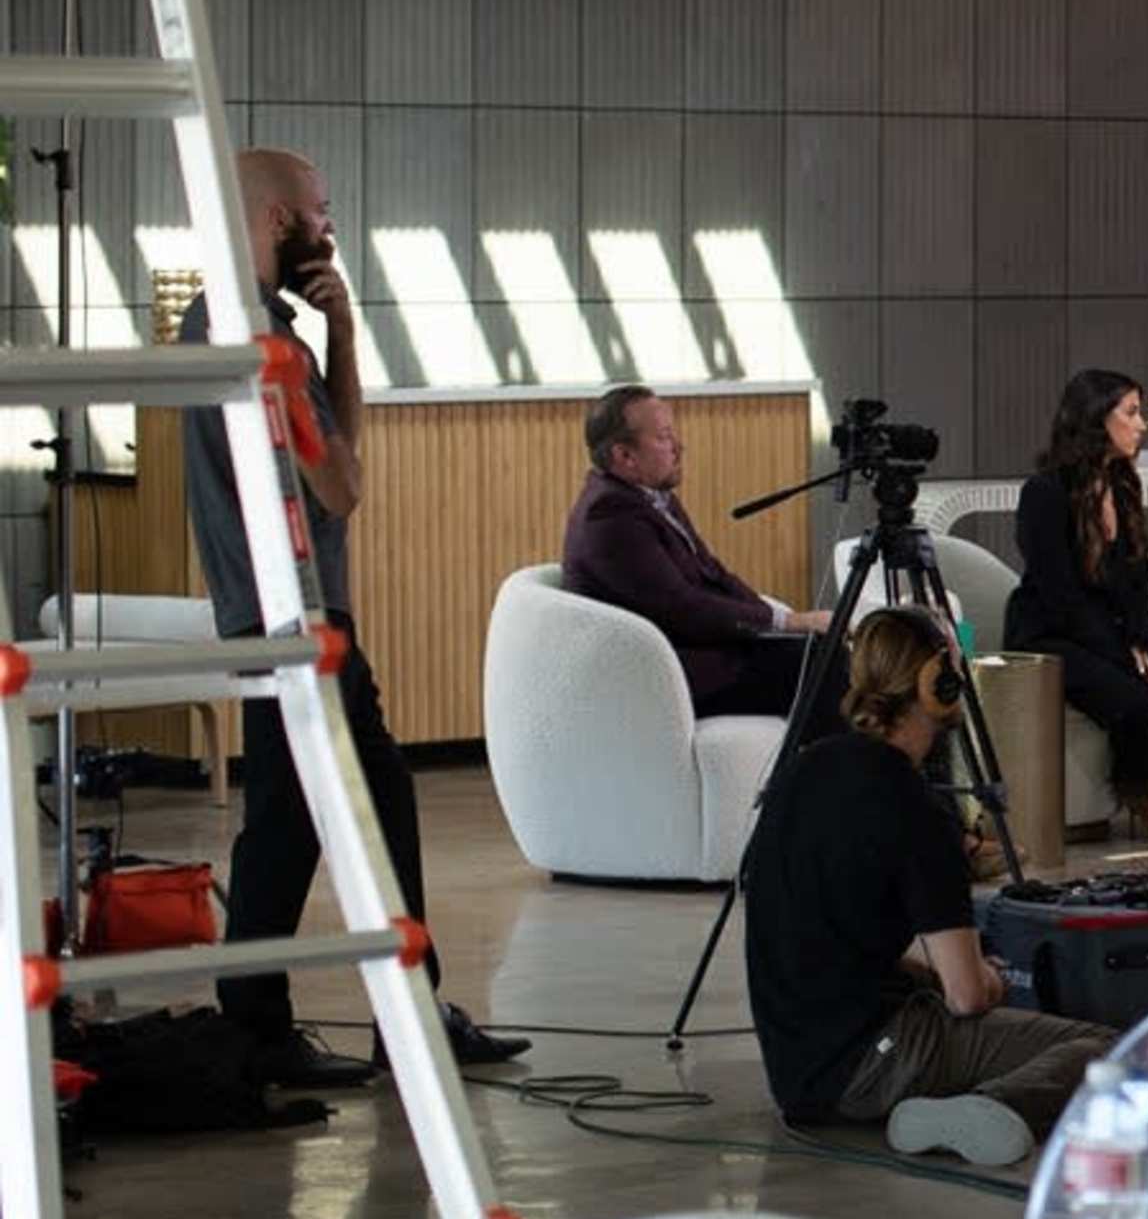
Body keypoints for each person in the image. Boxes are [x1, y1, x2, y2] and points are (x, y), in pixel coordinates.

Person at [178, 148, 524, 1084]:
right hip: (299, 616)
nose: (330, 228)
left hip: (268, 611)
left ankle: (303, 1019)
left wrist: (334, 333)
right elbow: (342, 484)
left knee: (298, 816)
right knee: (344, 809)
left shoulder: (216, 320)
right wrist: (344, 339)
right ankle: (373, 1020)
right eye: (321, 210)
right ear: (279, 221)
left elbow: (327, 462)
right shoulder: (264, 342)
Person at [741, 611, 1107, 1165]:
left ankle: (949, 1099)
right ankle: (984, 1105)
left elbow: (833, 932)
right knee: (1111, 1052)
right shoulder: (917, 809)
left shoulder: (803, 770)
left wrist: (929, 967)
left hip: (797, 1073)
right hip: (876, 1063)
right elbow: (967, 997)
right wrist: (988, 977)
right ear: (936, 682)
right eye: (955, 667)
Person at [1008, 369, 1148, 845]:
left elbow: (1140, 580)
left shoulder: (1124, 486)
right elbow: (1061, 595)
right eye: (1131, 413)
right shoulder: (1044, 492)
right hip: (1051, 634)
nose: (1142, 424)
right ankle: (1146, 798)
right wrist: (1130, 661)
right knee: (1133, 698)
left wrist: (1142, 644)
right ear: (1096, 419)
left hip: (1113, 632)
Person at [560, 383, 837, 736]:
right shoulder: (610, 516)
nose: (679, 446)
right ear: (625, 456)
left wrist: (780, 622)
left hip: (697, 649)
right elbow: (685, 609)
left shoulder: (648, 496)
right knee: (819, 664)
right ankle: (839, 767)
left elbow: (713, 573)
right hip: (670, 674)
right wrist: (790, 622)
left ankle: (833, 763)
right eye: (664, 437)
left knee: (821, 650)